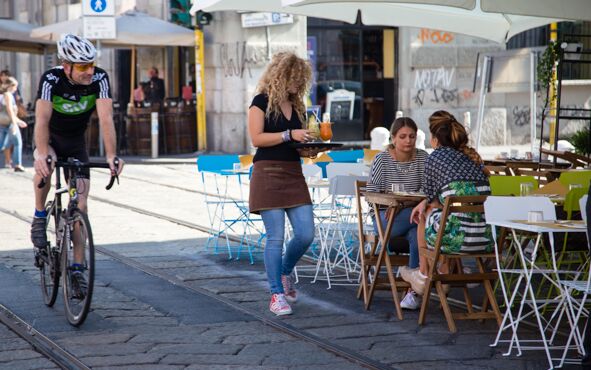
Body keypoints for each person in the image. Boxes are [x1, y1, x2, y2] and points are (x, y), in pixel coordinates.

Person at [31, 34, 124, 292]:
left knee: (80, 207)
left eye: (92, 64)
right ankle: (40, 215)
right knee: (46, 165)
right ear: (67, 65)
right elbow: (41, 120)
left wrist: (111, 155)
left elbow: (106, 119)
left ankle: (77, 269)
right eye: (83, 67)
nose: (89, 71)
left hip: (75, 141)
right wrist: (41, 153)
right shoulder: (52, 79)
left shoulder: (100, 79)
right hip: (49, 137)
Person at [248, 52, 321, 316]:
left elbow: (294, 145)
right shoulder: (261, 101)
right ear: (281, 75)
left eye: (301, 79)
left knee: (306, 233)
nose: (297, 83)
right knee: (275, 238)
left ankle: (285, 271)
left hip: (293, 172)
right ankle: (276, 294)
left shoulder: (297, 104)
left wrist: (309, 150)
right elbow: (256, 138)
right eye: (294, 78)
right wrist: (289, 134)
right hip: (266, 172)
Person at [403, 110, 493, 295]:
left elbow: (430, 199)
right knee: (447, 215)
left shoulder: (435, 157)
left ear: (435, 139)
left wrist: (424, 204)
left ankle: (423, 274)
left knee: (425, 215)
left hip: (456, 242)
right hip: (486, 240)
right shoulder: (472, 159)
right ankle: (444, 273)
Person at [366, 117, 428, 310]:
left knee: (419, 234)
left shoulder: (423, 158)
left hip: (412, 215)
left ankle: (412, 292)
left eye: (412, 136)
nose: (408, 140)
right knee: (422, 222)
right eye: (402, 137)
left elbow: (428, 191)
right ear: (393, 138)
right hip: (385, 217)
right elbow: (371, 194)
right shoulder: (381, 159)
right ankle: (443, 272)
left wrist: (404, 204)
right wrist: (394, 204)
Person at [0, 77, 27, 171]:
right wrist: (15, 123)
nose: (16, 89)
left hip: (6, 122)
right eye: (15, 86)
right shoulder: (8, 95)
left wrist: (18, 121)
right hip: (10, 123)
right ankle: (18, 165)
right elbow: (10, 110)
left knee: (5, 144)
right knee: (17, 143)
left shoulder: (4, 95)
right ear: (11, 86)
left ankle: (17, 164)